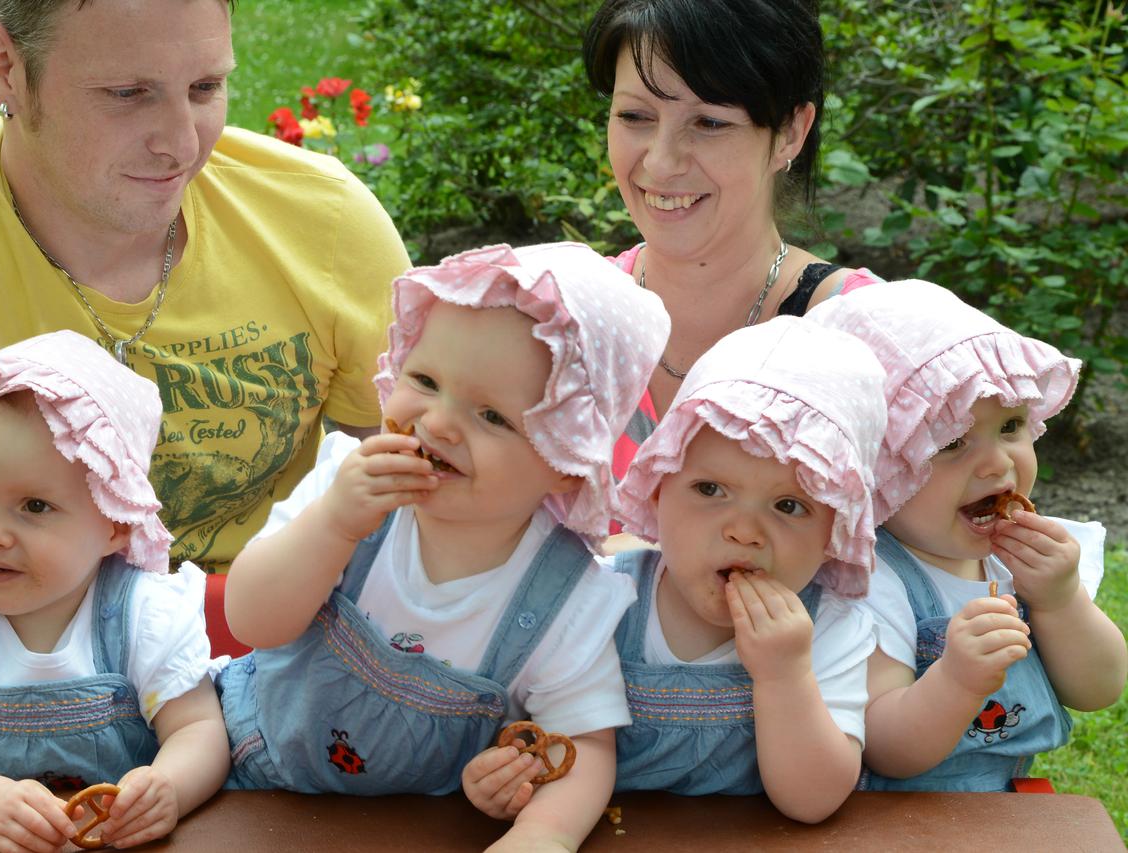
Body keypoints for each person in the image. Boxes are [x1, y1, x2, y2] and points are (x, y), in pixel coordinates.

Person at [0, 0, 410, 749]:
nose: (182, 143)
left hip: (302, 715)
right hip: (30, 752)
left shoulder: (325, 223)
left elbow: (428, 535)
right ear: (3, 67)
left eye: (206, 88)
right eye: (127, 94)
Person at [217, 243, 669, 850]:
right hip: (245, 778)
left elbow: (584, 743)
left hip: (420, 826)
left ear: (567, 462)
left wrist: (542, 834)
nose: (437, 423)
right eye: (425, 381)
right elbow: (252, 620)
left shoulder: (568, 597)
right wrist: (334, 525)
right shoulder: (345, 492)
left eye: (491, 416)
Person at [0, 330, 229, 850]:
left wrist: (169, 788)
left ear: (114, 523)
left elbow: (197, 729)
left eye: (33, 506)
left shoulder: (143, 613)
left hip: (122, 839)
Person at [807, 280, 1127, 791]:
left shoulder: (1023, 561)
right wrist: (955, 680)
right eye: (952, 442)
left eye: (1011, 426)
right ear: (877, 467)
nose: (998, 462)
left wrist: (1060, 601)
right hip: (904, 821)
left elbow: (1099, 688)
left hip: (1006, 809)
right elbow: (887, 748)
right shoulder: (870, 580)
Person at [581, 0, 884, 477]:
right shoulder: (566, 318)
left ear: (790, 131)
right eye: (635, 117)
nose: (661, 162)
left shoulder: (870, 337)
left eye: (710, 123)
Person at [608, 317, 887, 823]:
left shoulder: (830, 629)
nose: (744, 532)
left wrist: (786, 675)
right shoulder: (601, 597)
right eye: (710, 490)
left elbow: (813, 801)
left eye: (788, 506)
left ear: (834, 535)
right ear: (658, 486)